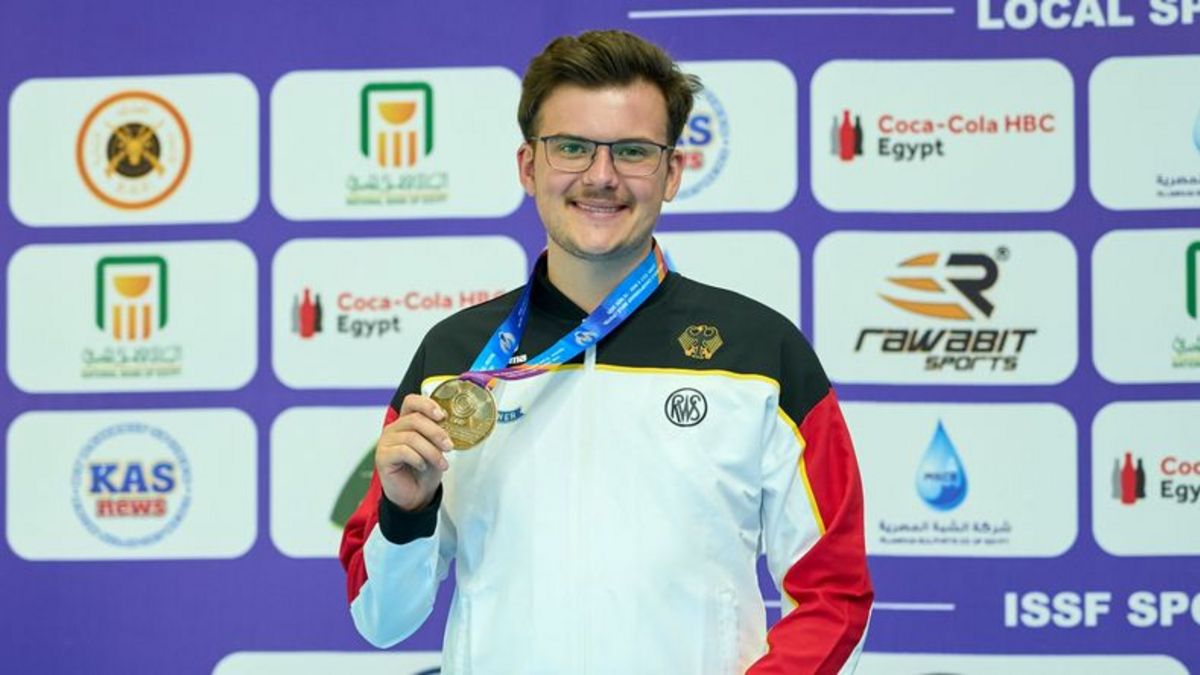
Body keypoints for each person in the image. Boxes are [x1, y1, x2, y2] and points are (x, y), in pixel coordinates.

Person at [340, 29, 873, 674]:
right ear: (528, 166)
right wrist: (407, 510)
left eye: (632, 151)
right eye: (571, 147)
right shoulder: (457, 358)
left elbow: (834, 593)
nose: (600, 176)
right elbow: (381, 619)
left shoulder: (762, 350)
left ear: (672, 172)